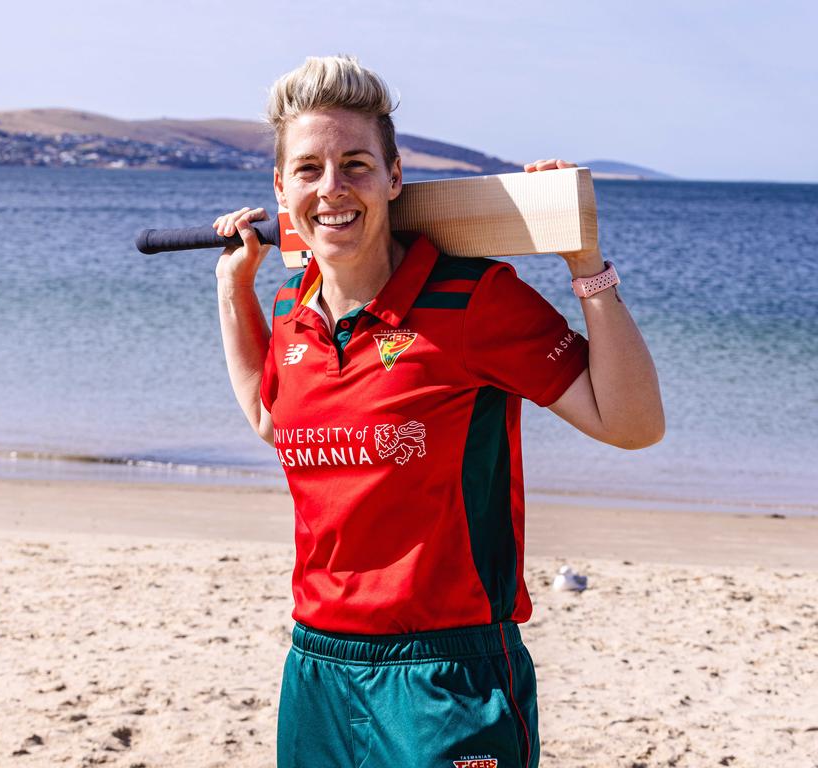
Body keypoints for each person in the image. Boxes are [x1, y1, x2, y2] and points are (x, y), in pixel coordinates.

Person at [213, 55, 663, 768]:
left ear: (394, 178)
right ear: (280, 186)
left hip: (447, 672)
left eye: (356, 164)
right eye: (308, 169)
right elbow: (276, 423)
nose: (332, 188)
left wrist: (586, 266)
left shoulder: (472, 300)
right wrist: (233, 291)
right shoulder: (289, 306)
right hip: (317, 670)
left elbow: (633, 424)